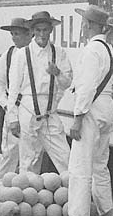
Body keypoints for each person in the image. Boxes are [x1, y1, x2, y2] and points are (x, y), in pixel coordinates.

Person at [54, 5, 113, 216]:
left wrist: (77, 118)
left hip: (91, 109)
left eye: (84, 23)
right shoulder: (111, 50)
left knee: (79, 167)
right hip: (107, 107)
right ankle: (107, 213)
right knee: (100, 165)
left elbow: (86, 87)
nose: (82, 26)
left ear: (89, 25)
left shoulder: (92, 50)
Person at [5, 11, 72, 176]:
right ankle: (28, 198)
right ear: (33, 31)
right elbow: (13, 89)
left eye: (46, 30)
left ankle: (77, 198)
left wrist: (57, 73)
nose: (42, 34)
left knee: (66, 156)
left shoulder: (59, 53)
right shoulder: (22, 54)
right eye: (39, 30)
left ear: (51, 31)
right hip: (27, 110)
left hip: (50, 112)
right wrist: (12, 118)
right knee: (28, 160)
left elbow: (67, 83)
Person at [0, 17, 33, 181]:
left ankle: (28, 189)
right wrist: (7, 105)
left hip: (34, 110)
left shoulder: (37, 54)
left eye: (18, 34)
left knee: (32, 154)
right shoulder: (8, 55)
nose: (14, 38)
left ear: (29, 35)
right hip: (14, 108)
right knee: (10, 152)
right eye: (12, 34)